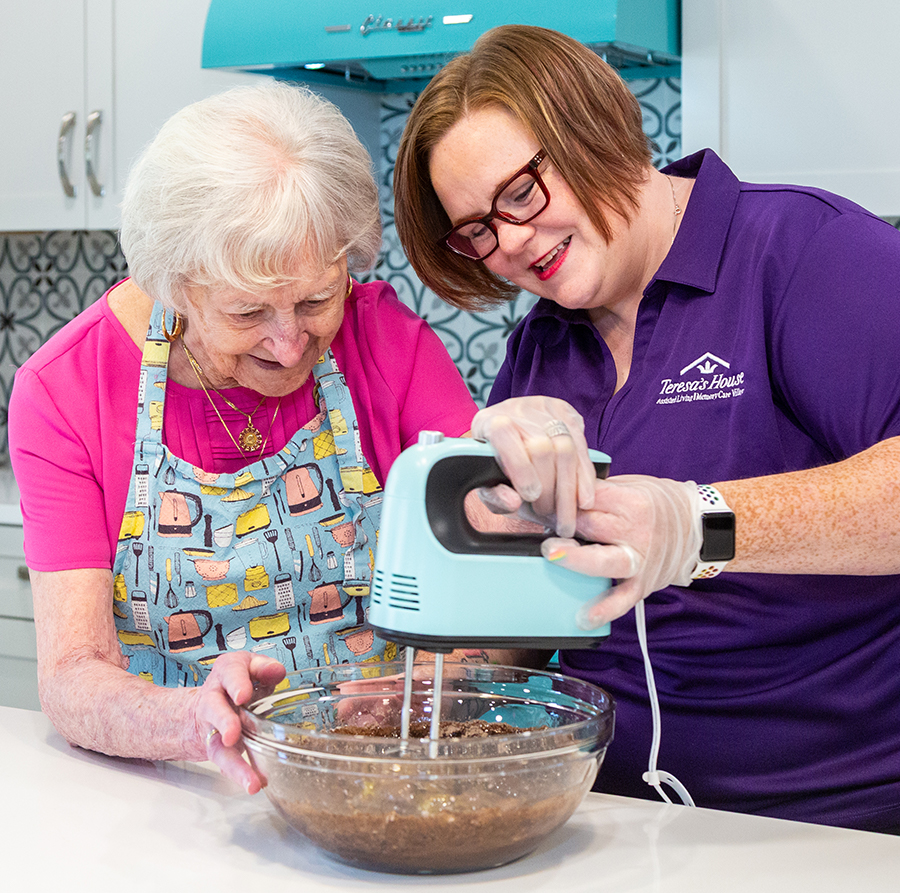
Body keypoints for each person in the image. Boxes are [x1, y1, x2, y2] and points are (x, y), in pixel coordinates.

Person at [8, 80, 588, 794]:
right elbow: (73, 676)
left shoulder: (386, 342)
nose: (289, 345)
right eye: (248, 313)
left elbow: (501, 591)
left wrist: (429, 683)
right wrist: (195, 721)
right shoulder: (69, 388)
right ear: (176, 285)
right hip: (176, 795)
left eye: (317, 299)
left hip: (387, 779)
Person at [393, 24, 900, 832]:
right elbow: (536, 615)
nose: (510, 243)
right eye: (478, 230)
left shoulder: (806, 253)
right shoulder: (542, 344)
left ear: (593, 126)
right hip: (607, 810)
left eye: (520, 192)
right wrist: (440, 678)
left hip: (833, 818)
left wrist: (698, 525)